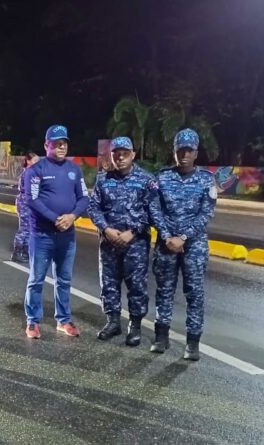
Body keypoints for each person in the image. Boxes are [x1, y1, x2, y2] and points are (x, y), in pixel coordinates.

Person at [88, 137, 164, 347]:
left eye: (125, 154)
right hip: (109, 242)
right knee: (109, 283)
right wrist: (106, 229)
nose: (120, 158)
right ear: (111, 156)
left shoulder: (146, 180)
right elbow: (93, 208)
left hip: (135, 243)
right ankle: (113, 321)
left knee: (136, 285)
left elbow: (153, 211)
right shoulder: (103, 179)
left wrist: (133, 231)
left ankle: (135, 326)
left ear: (133, 155)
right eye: (116, 154)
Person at [151, 128, 216, 361]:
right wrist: (167, 236)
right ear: (174, 152)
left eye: (189, 150)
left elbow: (206, 213)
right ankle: (161, 337)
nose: (184, 155)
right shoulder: (161, 177)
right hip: (166, 243)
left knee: (194, 293)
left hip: (194, 246)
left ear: (196, 153)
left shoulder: (206, 179)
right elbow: (154, 209)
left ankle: (193, 342)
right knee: (164, 291)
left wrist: (184, 237)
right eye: (181, 150)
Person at [23, 125, 89, 339]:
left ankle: (63, 320)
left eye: (64, 143)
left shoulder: (74, 169)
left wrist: (72, 216)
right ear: (46, 145)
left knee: (64, 280)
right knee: (36, 279)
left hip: (67, 236)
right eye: (56, 143)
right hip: (42, 235)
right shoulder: (36, 170)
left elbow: (84, 198)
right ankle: (32, 321)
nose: (61, 147)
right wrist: (55, 218)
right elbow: (32, 200)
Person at [12, 152, 41, 263]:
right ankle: (17, 253)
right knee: (24, 228)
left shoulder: (32, 172)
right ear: (28, 161)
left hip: (28, 202)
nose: (37, 163)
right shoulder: (28, 172)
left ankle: (25, 252)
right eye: (35, 160)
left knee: (29, 228)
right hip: (25, 202)